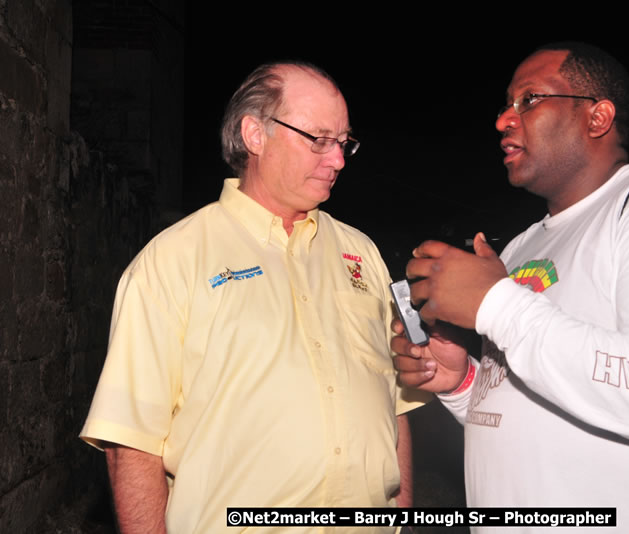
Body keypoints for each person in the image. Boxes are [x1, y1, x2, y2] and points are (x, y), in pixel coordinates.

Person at [392, 42, 629, 533]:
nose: (503, 119)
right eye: (506, 104)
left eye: (529, 100)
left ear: (598, 117)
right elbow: (535, 416)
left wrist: (497, 304)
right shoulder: (522, 247)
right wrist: (462, 383)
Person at [81, 61, 426, 534]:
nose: (338, 160)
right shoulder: (172, 260)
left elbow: (394, 405)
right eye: (319, 139)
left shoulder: (361, 253)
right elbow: (130, 441)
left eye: (344, 142)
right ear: (255, 135)